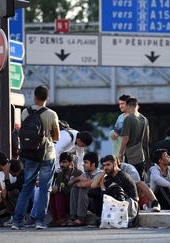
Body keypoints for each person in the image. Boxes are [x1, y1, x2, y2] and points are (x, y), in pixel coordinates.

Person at [11, 85, 60, 230]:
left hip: (30, 155)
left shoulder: (26, 112)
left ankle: (16, 221)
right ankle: (39, 221)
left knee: (26, 188)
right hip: (47, 154)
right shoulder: (51, 114)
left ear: (35, 97)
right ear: (47, 98)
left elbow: (23, 132)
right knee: (45, 189)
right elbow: (56, 136)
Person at [92, 154, 139, 227]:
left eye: (108, 165)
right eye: (104, 165)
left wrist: (103, 188)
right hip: (119, 202)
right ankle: (101, 216)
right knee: (93, 192)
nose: (105, 167)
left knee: (115, 189)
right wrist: (104, 172)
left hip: (130, 204)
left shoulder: (122, 175)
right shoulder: (110, 176)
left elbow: (117, 193)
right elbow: (93, 185)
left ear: (114, 164)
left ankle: (122, 219)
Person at [66, 152, 102, 226]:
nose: (83, 164)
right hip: (88, 202)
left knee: (83, 189)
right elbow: (69, 183)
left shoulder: (99, 174)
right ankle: (73, 217)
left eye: (86, 162)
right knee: (74, 189)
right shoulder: (85, 174)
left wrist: (78, 183)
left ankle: (81, 218)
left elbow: (85, 184)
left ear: (93, 164)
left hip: (98, 204)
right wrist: (78, 178)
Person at [48, 152, 83, 227]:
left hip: (74, 202)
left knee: (59, 193)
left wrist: (60, 189)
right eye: (60, 162)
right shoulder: (60, 175)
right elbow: (58, 187)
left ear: (71, 163)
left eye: (64, 162)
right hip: (63, 201)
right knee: (52, 194)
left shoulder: (78, 173)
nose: (61, 165)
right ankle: (56, 219)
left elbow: (74, 190)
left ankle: (62, 219)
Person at [119, 97, 150, 180]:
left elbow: (125, 138)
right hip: (142, 156)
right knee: (141, 180)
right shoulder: (145, 119)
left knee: (130, 180)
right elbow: (146, 140)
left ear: (127, 106)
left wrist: (120, 154)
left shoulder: (128, 119)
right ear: (136, 105)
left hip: (131, 155)